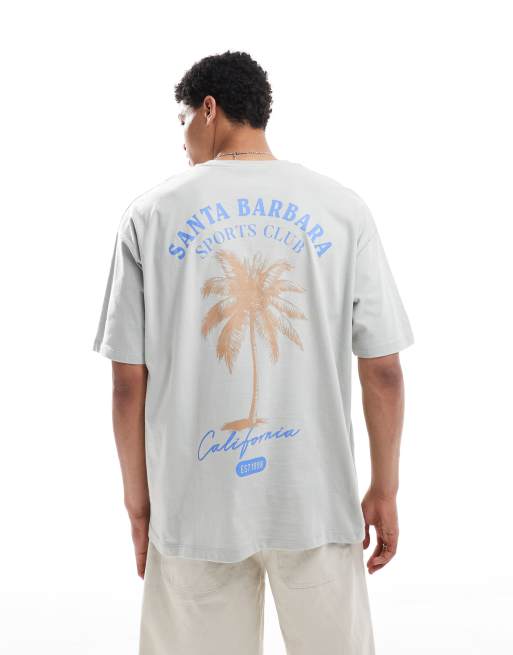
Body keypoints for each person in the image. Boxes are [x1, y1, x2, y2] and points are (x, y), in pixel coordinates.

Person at [92, 50, 414, 655]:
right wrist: (384, 488)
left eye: (184, 120)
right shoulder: (341, 208)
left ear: (209, 110)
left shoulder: (150, 214)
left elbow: (128, 383)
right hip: (316, 501)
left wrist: (139, 503)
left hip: (192, 504)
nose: (183, 140)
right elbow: (384, 371)